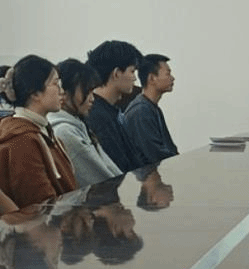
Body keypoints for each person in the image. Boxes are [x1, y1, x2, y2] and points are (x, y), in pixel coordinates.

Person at [0, 55, 77, 208]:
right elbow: (41, 207)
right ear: (35, 93)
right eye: (55, 84)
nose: (62, 91)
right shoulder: (22, 141)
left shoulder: (41, 131)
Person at [48, 59, 122, 187]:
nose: (92, 99)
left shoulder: (78, 124)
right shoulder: (65, 132)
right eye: (87, 92)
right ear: (64, 93)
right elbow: (103, 181)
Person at [86, 40, 145, 172]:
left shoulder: (109, 111)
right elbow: (121, 170)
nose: (135, 78)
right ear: (117, 73)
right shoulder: (98, 118)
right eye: (132, 71)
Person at [124, 54, 179, 164]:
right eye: (168, 74)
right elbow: (156, 155)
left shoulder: (152, 108)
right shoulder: (140, 112)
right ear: (152, 78)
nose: (172, 78)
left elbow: (170, 148)